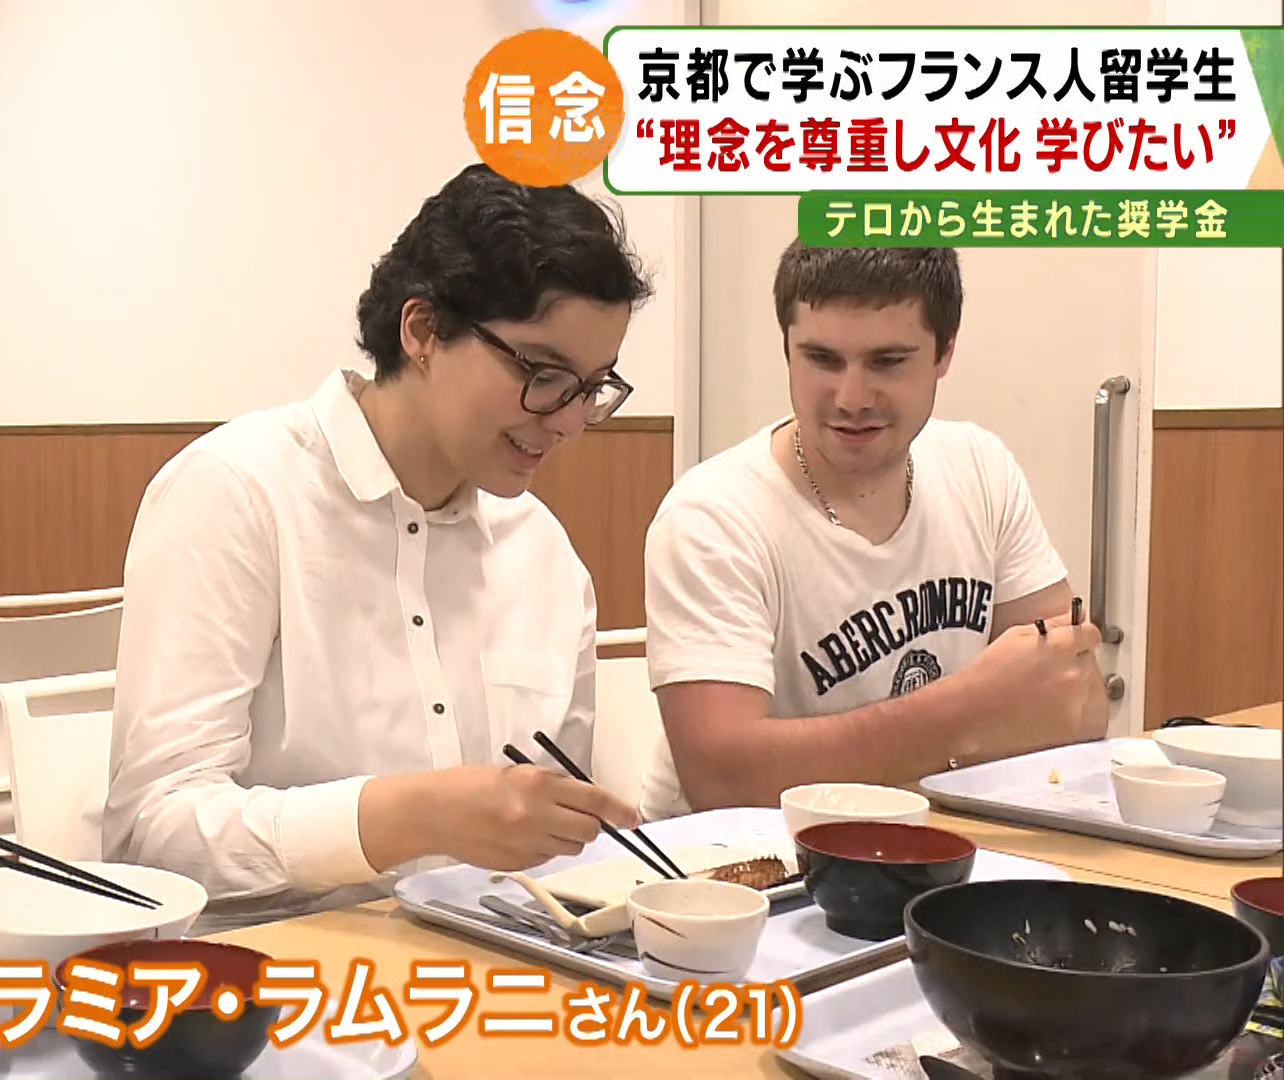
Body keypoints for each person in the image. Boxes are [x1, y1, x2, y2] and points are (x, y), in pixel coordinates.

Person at [105, 164, 654, 931]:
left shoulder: (544, 556)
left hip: (494, 964)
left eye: (592, 387)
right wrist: (404, 817)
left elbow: (552, 848)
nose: (567, 421)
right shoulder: (237, 495)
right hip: (275, 973)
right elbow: (152, 837)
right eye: (542, 374)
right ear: (422, 331)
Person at [638, 241, 1108, 819]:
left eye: (888, 361)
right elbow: (724, 780)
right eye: (822, 359)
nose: (852, 399)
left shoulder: (980, 468)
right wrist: (970, 712)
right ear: (786, 348)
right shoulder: (712, 517)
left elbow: (1075, 700)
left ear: (945, 352)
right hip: (743, 863)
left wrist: (976, 719)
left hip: (940, 844)